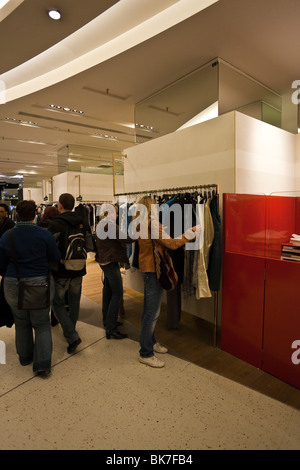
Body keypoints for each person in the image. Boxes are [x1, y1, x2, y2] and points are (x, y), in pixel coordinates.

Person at [137, 196, 200, 368]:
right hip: (153, 271)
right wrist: (191, 232)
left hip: (146, 268)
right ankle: (146, 352)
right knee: (152, 313)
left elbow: (152, 243)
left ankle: (150, 341)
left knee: (147, 311)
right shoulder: (153, 224)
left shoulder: (141, 223)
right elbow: (172, 244)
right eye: (156, 206)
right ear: (151, 207)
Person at [0, 200, 61, 376]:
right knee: (41, 324)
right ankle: (42, 365)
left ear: (16, 215)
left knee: (21, 322)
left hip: (12, 283)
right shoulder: (44, 235)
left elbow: (1, 263)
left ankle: (25, 357)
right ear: (35, 214)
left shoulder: (7, 236)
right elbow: (55, 257)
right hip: (39, 283)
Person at [47, 193, 88, 354]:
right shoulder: (82, 221)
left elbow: (49, 245)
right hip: (79, 268)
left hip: (61, 270)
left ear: (60, 205)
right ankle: (72, 329)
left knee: (57, 303)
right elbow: (89, 244)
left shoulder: (56, 223)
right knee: (75, 300)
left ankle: (71, 334)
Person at [95, 204, 135, 339]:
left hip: (104, 261)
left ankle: (108, 321)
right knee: (117, 293)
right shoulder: (110, 225)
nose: (117, 216)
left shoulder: (100, 224)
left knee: (108, 291)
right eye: (115, 213)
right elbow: (126, 239)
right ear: (110, 213)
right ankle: (111, 328)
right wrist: (140, 233)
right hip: (110, 262)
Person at [38, 206, 60, 327]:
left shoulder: (39, 225)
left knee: (44, 292)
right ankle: (55, 318)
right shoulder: (56, 226)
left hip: (42, 262)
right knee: (55, 292)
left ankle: (44, 315)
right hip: (53, 262)